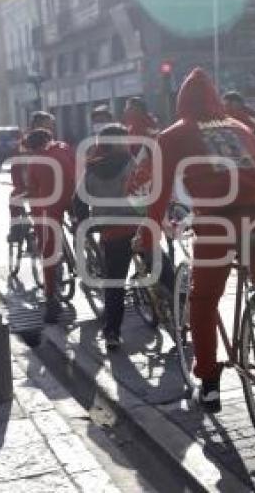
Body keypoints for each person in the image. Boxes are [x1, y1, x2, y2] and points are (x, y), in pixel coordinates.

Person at [134, 68, 255, 416]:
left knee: (205, 298)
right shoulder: (242, 128)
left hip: (219, 220)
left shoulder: (172, 135)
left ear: (182, 101)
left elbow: (160, 192)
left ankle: (208, 385)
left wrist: (147, 233)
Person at [74, 123, 174, 350]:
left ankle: (112, 333)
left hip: (112, 232)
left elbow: (78, 201)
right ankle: (182, 309)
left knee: (114, 283)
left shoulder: (91, 170)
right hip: (141, 229)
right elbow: (150, 192)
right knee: (164, 269)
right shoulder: (133, 165)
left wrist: (85, 226)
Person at [24, 124, 77, 323]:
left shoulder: (36, 160)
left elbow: (32, 189)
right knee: (81, 226)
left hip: (51, 206)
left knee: (48, 251)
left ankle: (51, 301)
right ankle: (92, 253)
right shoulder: (64, 148)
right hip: (75, 199)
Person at [7, 111, 60, 243]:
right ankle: (17, 227)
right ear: (36, 125)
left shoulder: (52, 140)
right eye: (46, 125)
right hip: (30, 182)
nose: (50, 128)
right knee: (15, 199)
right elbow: (23, 166)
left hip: (49, 183)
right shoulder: (26, 143)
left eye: (51, 125)